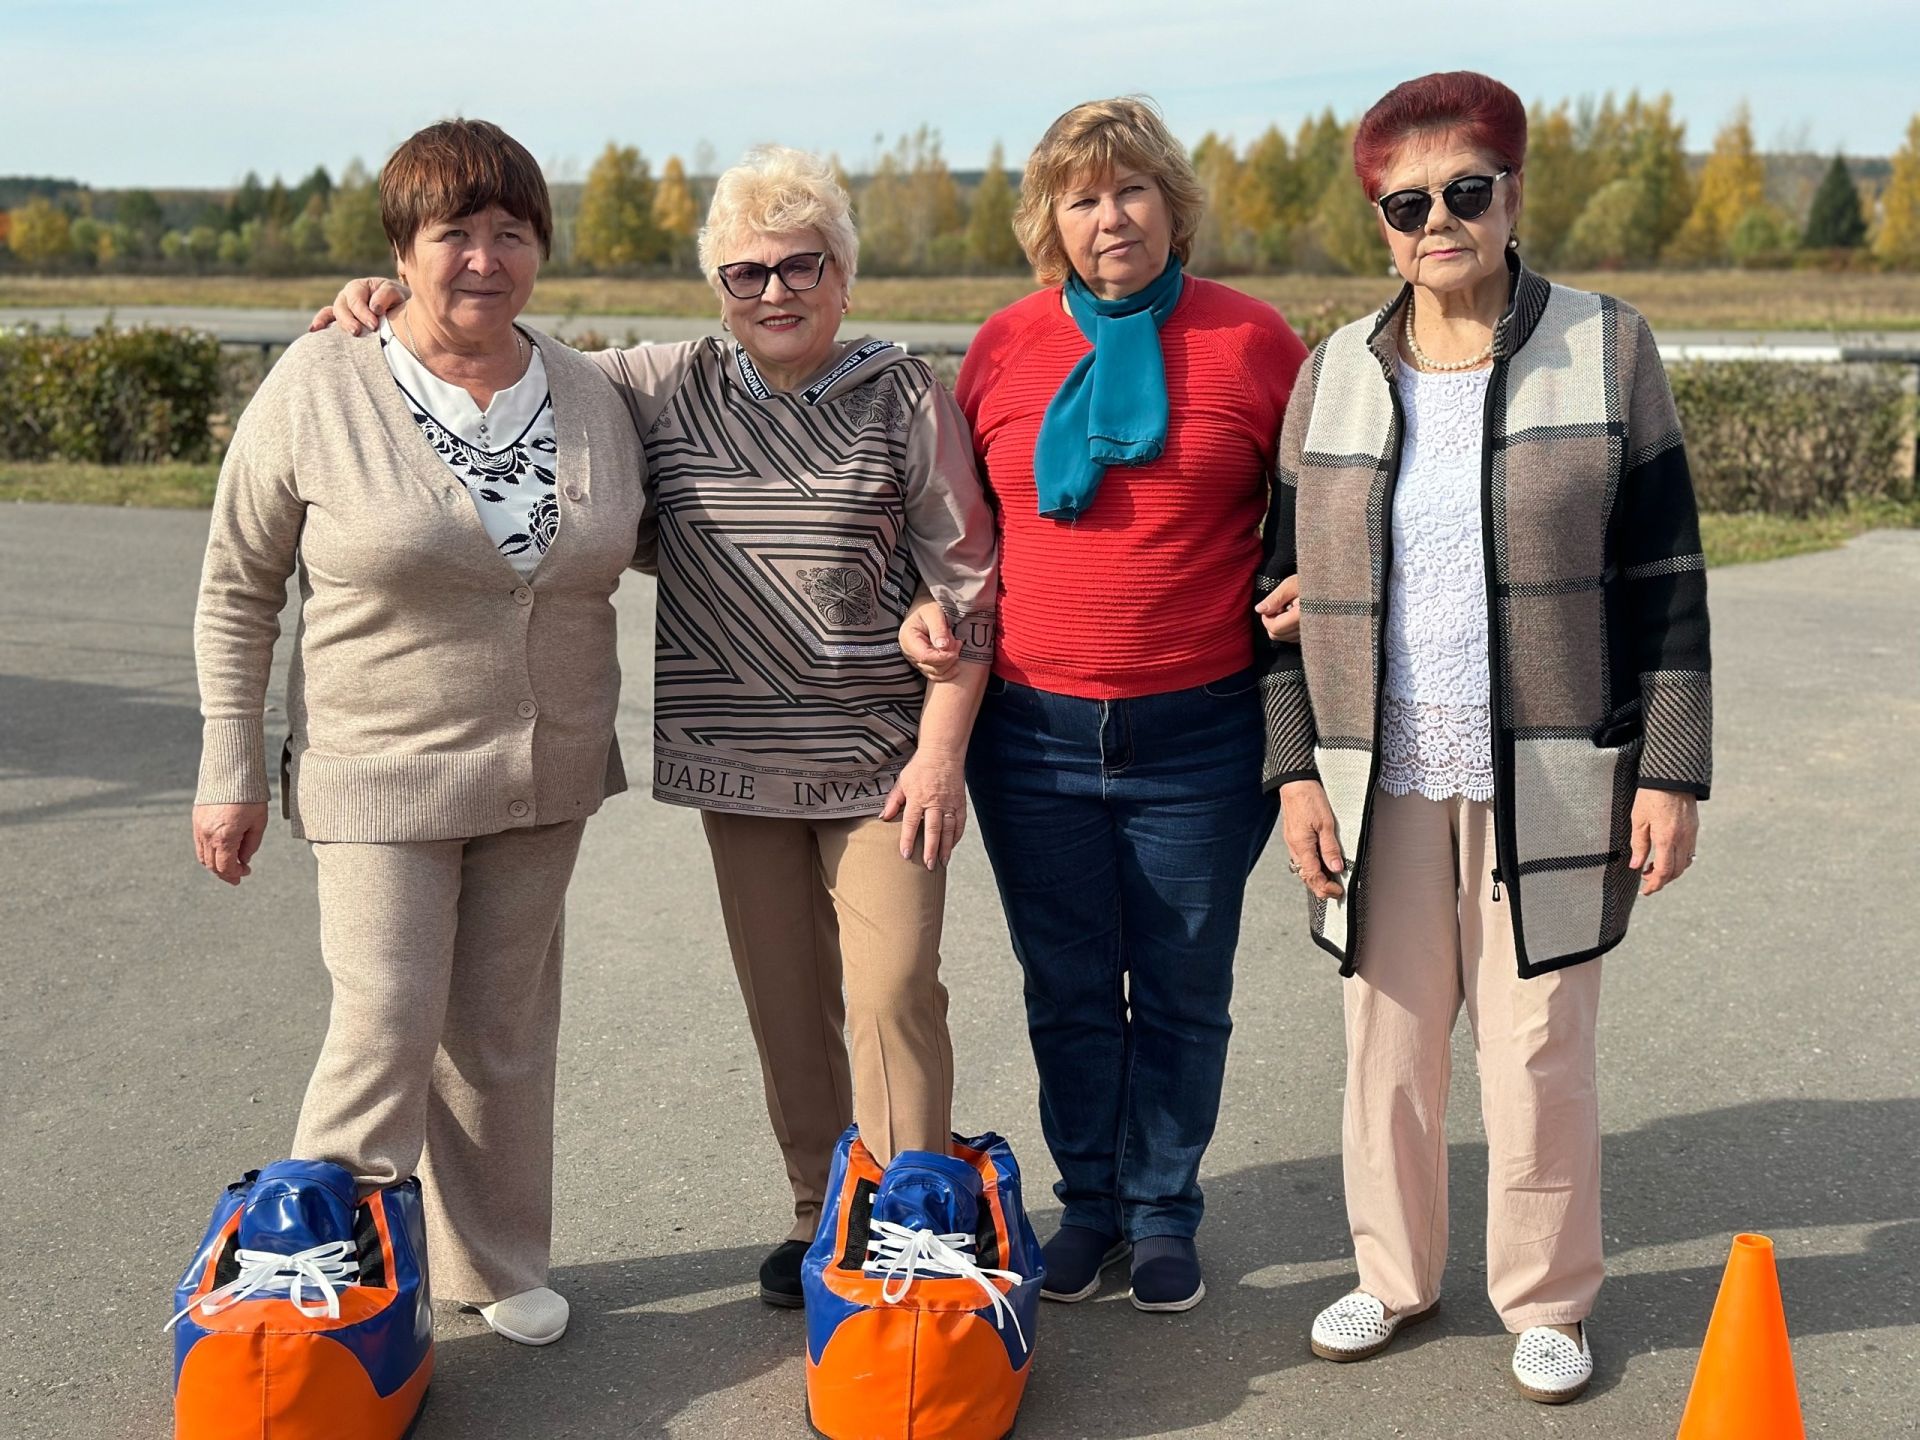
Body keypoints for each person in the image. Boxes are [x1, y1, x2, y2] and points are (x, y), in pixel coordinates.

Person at [321, 146, 999, 1308]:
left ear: (844, 273)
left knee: (892, 989)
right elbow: (510, 352)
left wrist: (944, 747)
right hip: (737, 762)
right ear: (716, 286)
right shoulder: (658, 381)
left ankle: (910, 1209)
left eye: (803, 265)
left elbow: (970, 580)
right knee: (787, 1003)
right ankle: (818, 1210)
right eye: (746, 273)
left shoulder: (903, 392)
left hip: (881, 760)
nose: (775, 293)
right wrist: (386, 303)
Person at [1254, 71, 1712, 1403]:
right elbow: (1271, 604)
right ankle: (1390, 1275)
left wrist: (1670, 769)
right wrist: (1294, 776)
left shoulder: (1607, 344)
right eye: (1407, 203)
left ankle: (1549, 1297)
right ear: (1381, 222)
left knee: (1538, 1049)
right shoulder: (1332, 372)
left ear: (1513, 195)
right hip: (1378, 773)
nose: (1437, 221)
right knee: (1386, 1050)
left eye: (1465, 191)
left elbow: (1666, 576)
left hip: (1557, 773)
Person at [193, 118, 649, 1347]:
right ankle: (308, 1268)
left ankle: (490, 1263)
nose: (485, 259)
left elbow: (749, 383)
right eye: (456, 233)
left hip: (544, 771)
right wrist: (229, 768)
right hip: (380, 769)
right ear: (405, 246)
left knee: (500, 1033)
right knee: (387, 1013)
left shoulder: (597, 392)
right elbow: (239, 584)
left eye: (512, 232)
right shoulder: (320, 381)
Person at [904, 97, 1309, 1313]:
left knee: (1184, 985)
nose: (1108, 216)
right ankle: (1090, 1201)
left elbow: (1323, 507)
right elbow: (951, 533)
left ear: (1172, 205)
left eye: (1129, 190)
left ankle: (1165, 1207)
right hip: (1033, 735)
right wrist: (922, 602)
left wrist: (1316, 586)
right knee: (1070, 985)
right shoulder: (1001, 348)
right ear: (1051, 224)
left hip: (1202, 727)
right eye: (1081, 198)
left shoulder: (1253, 343)